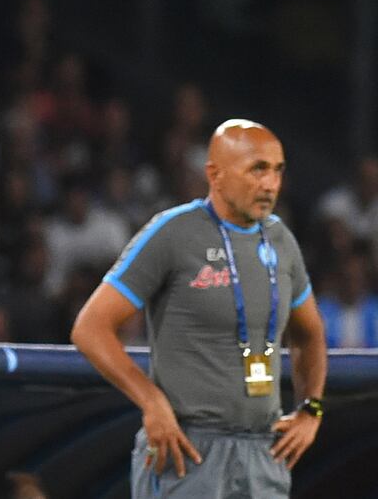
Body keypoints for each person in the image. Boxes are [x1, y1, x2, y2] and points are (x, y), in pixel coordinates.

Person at [71, 119, 327, 498]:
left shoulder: (280, 240)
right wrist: (151, 402)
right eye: (258, 169)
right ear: (215, 174)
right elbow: (90, 329)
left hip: (264, 452)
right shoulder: (172, 233)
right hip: (187, 450)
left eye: (278, 170)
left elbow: (310, 334)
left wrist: (311, 409)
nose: (271, 184)